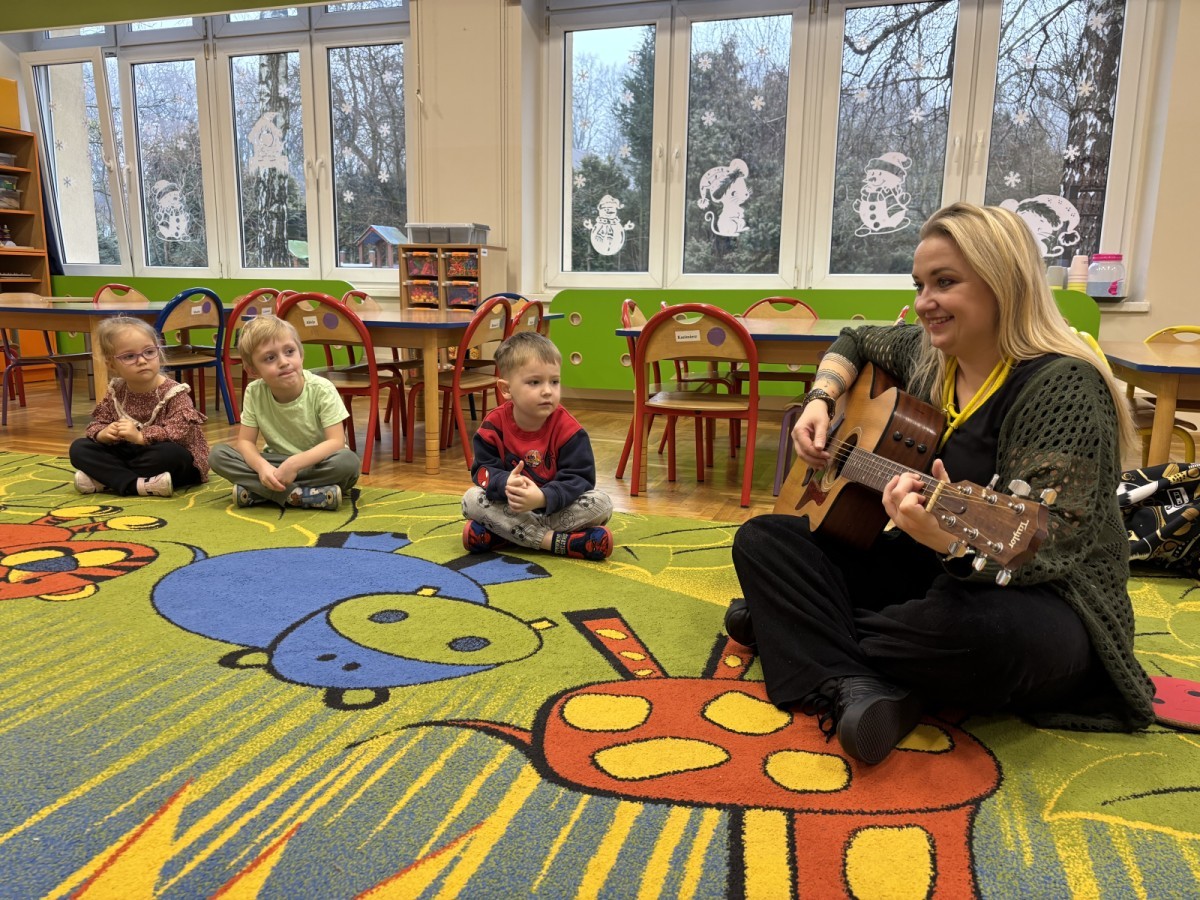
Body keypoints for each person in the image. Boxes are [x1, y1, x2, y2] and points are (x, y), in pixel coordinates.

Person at [727, 202, 1155, 765]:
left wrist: (947, 537)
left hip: (1047, 599)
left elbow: (1053, 542)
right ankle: (856, 681)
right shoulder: (930, 356)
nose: (923, 302)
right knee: (763, 540)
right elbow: (855, 339)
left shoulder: (1063, 385)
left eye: (945, 282)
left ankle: (800, 633)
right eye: (920, 284)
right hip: (935, 569)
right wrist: (821, 399)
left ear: (1004, 283)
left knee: (978, 634)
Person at [461, 331, 614, 561]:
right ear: (506, 389)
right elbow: (481, 472)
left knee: (602, 503)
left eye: (554, 381)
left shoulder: (569, 430)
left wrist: (542, 497)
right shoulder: (492, 426)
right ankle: (554, 542)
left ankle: (505, 536)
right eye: (534, 382)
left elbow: (581, 479)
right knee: (471, 499)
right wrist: (504, 483)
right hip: (511, 507)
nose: (547, 390)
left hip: (554, 510)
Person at [209, 315, 358, 510]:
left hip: (317, 463)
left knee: (348, 462)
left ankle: (261, 492)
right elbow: (245, 442)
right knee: (218, 455)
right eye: (270, 358)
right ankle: (301, 495)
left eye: (289, 352)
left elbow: (336, 442)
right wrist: (262, 468)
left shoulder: (322, 389)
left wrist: (294, 464)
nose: (284, 362)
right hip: (276, 462)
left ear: (301, 354)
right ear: (252, 370)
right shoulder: (254, 392)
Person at [69, 316, 208, 498]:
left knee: (170, 454)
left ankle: (109, 479)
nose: (142, 360)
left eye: (149, 352)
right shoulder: (116, 392)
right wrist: (103, 433)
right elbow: (98, 423)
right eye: (129, 356)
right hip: (133, 455)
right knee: (79, 448)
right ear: (112, 364)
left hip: (168, 457)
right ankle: (137, 484)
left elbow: (179, 433)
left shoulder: (174, 392)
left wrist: (140, 437)